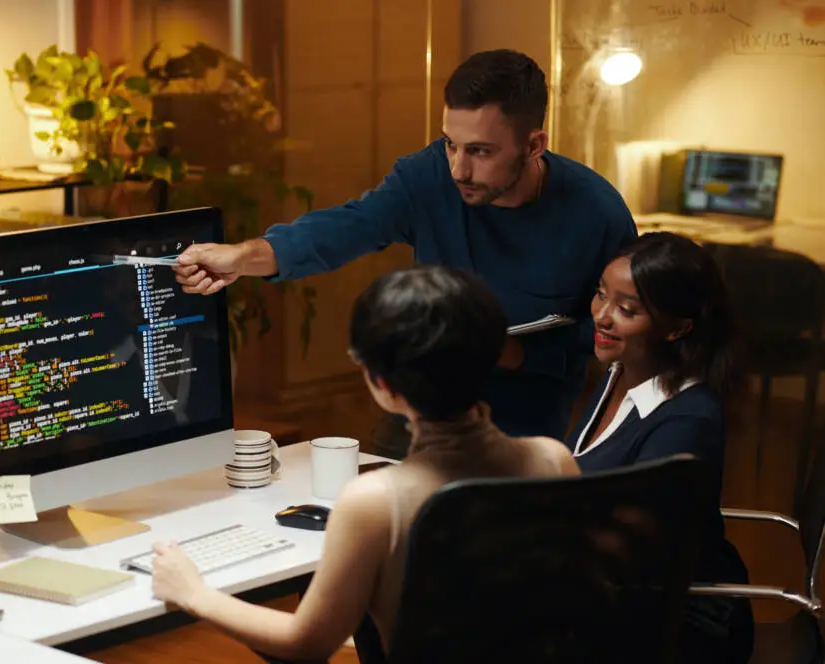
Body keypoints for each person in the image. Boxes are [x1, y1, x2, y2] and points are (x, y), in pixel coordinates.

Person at [172, 49, 637, 459]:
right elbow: (346, 227)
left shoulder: (596, 213)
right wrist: (242, 256)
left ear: (534, 145)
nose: (459, 168)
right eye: (451, 144)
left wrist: (513, 353)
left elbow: (625, 338)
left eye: (480, 151)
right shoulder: (429, 175)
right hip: (418, 416)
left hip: (526, 432)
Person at [151, 265, 580, 662]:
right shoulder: (553, 460)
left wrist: (195, 594)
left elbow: (307, 643)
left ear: (383, 384)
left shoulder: (376, 501)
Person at [564, 232, 753, 663]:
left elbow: (628, 553)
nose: (602, 316)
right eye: (600, 295)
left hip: (673, 622)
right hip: (606, 592)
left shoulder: (687, 420)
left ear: (679, 328)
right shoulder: (621, 371)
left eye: (626, 309)